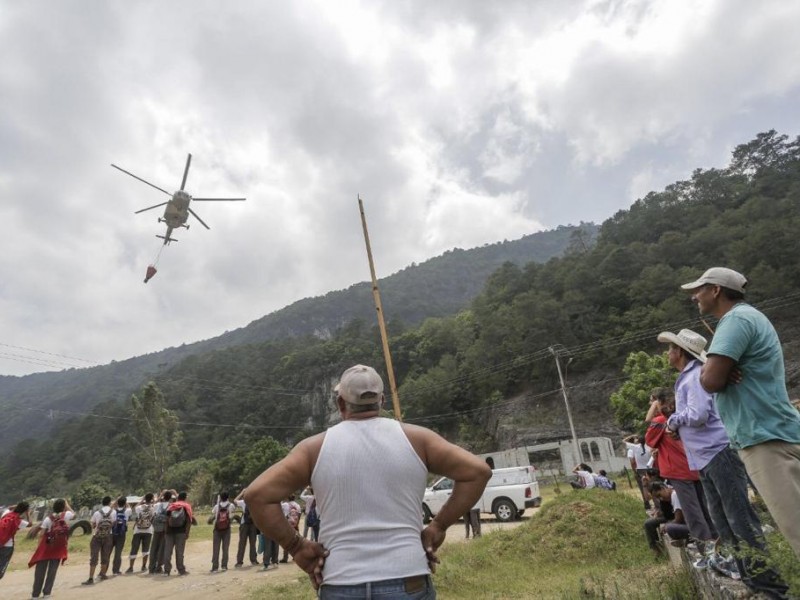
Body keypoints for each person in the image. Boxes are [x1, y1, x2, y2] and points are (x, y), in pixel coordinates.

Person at [245, 364, 491, 597]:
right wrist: (438, 526)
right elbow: (478, 472)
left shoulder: (313, 450)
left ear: (341, 403)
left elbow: (257, 495)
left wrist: (296, 546)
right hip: (408, 578)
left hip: (341, 582)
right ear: (381, 401)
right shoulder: (418, 440)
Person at [683, 267, 800, 561]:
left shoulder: (734, 321)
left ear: (716, 290)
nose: (695, 296)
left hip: (764, 438)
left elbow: (709, 381)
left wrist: (714, 369)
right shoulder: (749, 317)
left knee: (795, 527)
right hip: (774, 429)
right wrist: (718, 367)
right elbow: (715, 375)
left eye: (699, 289)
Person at [658, 328, 784, 581]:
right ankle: (740, 564)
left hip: (717, 452)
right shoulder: (688, 377)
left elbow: (698, 414)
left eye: (671, 348)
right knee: (720, 514)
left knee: (737, 513)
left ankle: (762, 572)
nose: (668, 353)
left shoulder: (694, 377)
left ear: (680, 352)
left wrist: (673, 421)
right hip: (706, 455)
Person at [644, 389, 717, 557]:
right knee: (705, 508)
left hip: (678, 470)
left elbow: (649, 437)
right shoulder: (684, 418)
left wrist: (656, 408)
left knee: (692, 511)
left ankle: (706, 550)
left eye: (651, 401)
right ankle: (715, 541)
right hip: (694, 467)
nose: (650, 405)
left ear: (660, 402)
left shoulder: (662, 421)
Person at [28, 498, 74, 599]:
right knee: (52, 571)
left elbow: (42, 534)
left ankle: (35, 595)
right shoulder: (66, 515)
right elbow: (73, 513)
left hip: (46, 547)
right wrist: (66, 504)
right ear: (63, 507)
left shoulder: (48, 519)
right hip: (58, 547)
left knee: (40, 571)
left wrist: (39, 548)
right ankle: (47, 593)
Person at [82, 495, 115, 585]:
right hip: (108, 536)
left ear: (102, 503)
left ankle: (90, 578)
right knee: (105, 557)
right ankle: (103, 574)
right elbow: (113, 524)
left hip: (96, 537)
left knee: (94, 557)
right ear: (109, 502)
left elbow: (93, 525)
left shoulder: (97, 513)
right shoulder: (113, 512)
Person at [163, 491, 192, 576]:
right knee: (180, 552)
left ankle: (166, 571)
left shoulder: (171, 505)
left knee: (168, 551)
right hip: (181, 532)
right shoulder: (187, 506)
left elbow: (166, 519)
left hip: (169, 532)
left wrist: (166, 531)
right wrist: (187, 533)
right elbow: (189, 521)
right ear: (185, 498)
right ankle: (181, 570)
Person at [0, 501, 30, 579]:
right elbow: (30, 524)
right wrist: (27, 513)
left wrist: (18, 506)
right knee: (2, 567)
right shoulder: (19, 521)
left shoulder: (6, 513)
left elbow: (10, 507)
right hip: (8, 546)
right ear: (24, 511)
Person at [127, 493, 155, 573]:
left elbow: (134, 510)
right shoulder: (153, 508)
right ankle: (143, 566)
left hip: (137, 530)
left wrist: (141, 500)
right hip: (148, 530)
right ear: (152, 499)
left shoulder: (139, 507)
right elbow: (153, 518)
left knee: (134, 548)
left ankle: (131, 567)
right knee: (146, 549)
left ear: (144, 499)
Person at [623, 434, 652, 509]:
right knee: (652, 487)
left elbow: (632, 462)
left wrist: (631, 436)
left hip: (640, 470)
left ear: (638, 441)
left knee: (643, 487)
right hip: (650, 469)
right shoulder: (649, 447)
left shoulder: (634, 448)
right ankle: (657, 505)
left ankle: (647, 504)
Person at [148, 490, 173, 574]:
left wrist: (161, 495)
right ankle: (158, 567)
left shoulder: (158, 505)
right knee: (161, 548)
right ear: (170, 498)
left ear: (163, 497)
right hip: (165, 529)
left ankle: (151, 567)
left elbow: (154, 513)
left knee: (154, 547)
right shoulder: (171, 505)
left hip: (156, 528)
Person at [210, 492, 235, 572]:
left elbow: (213, 512)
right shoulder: (231, 506)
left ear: (220, 497)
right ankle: (224, 565)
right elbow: (233, 512)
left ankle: (215, 567)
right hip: (227, 529)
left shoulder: (217, 506)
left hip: (217, 529)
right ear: (228, 497)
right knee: (225, 548)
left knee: (216, 549)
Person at [234, 488, 259, 567]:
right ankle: (254, 560)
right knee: (253, 543)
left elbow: (235, 501)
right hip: (253, 524)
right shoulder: (255, 502)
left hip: (244, 524)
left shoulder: (243, 502)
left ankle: (239, 561)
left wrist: (242, 493)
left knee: (242, 543)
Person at [110, 496, 132, 575]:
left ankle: (103, 570)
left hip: (112, 533)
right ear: (125, 503)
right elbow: (129, 507)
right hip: (121, 534)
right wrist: (125, 501)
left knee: (108, 552)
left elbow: (111, 507)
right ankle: (116, 570)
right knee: (118, 553)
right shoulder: (127, 510)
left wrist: (117, 499)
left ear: (117, 503)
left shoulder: (113, 511)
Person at [279, 495, 302, 563]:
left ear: (287, 498)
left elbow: (280, 508)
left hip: (287, 525)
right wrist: (296, 523)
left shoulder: (285, 505)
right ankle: (296, 556)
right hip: (295, 525)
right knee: (296, 541)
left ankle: (285, 558)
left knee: (286, 541)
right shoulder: (297, 505)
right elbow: (299, 515)